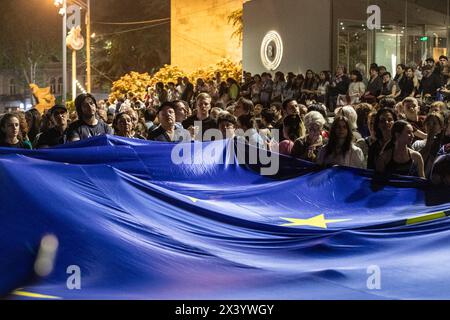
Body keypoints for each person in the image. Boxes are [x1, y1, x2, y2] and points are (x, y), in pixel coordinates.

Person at [412, 112, 445, 177]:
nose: (431, 126)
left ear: (441, 129)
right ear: (425, 126)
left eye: (434, 123)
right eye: (428, 123)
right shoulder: (417, 143)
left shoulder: (443, 147)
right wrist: (428, 143)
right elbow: (413, 163)